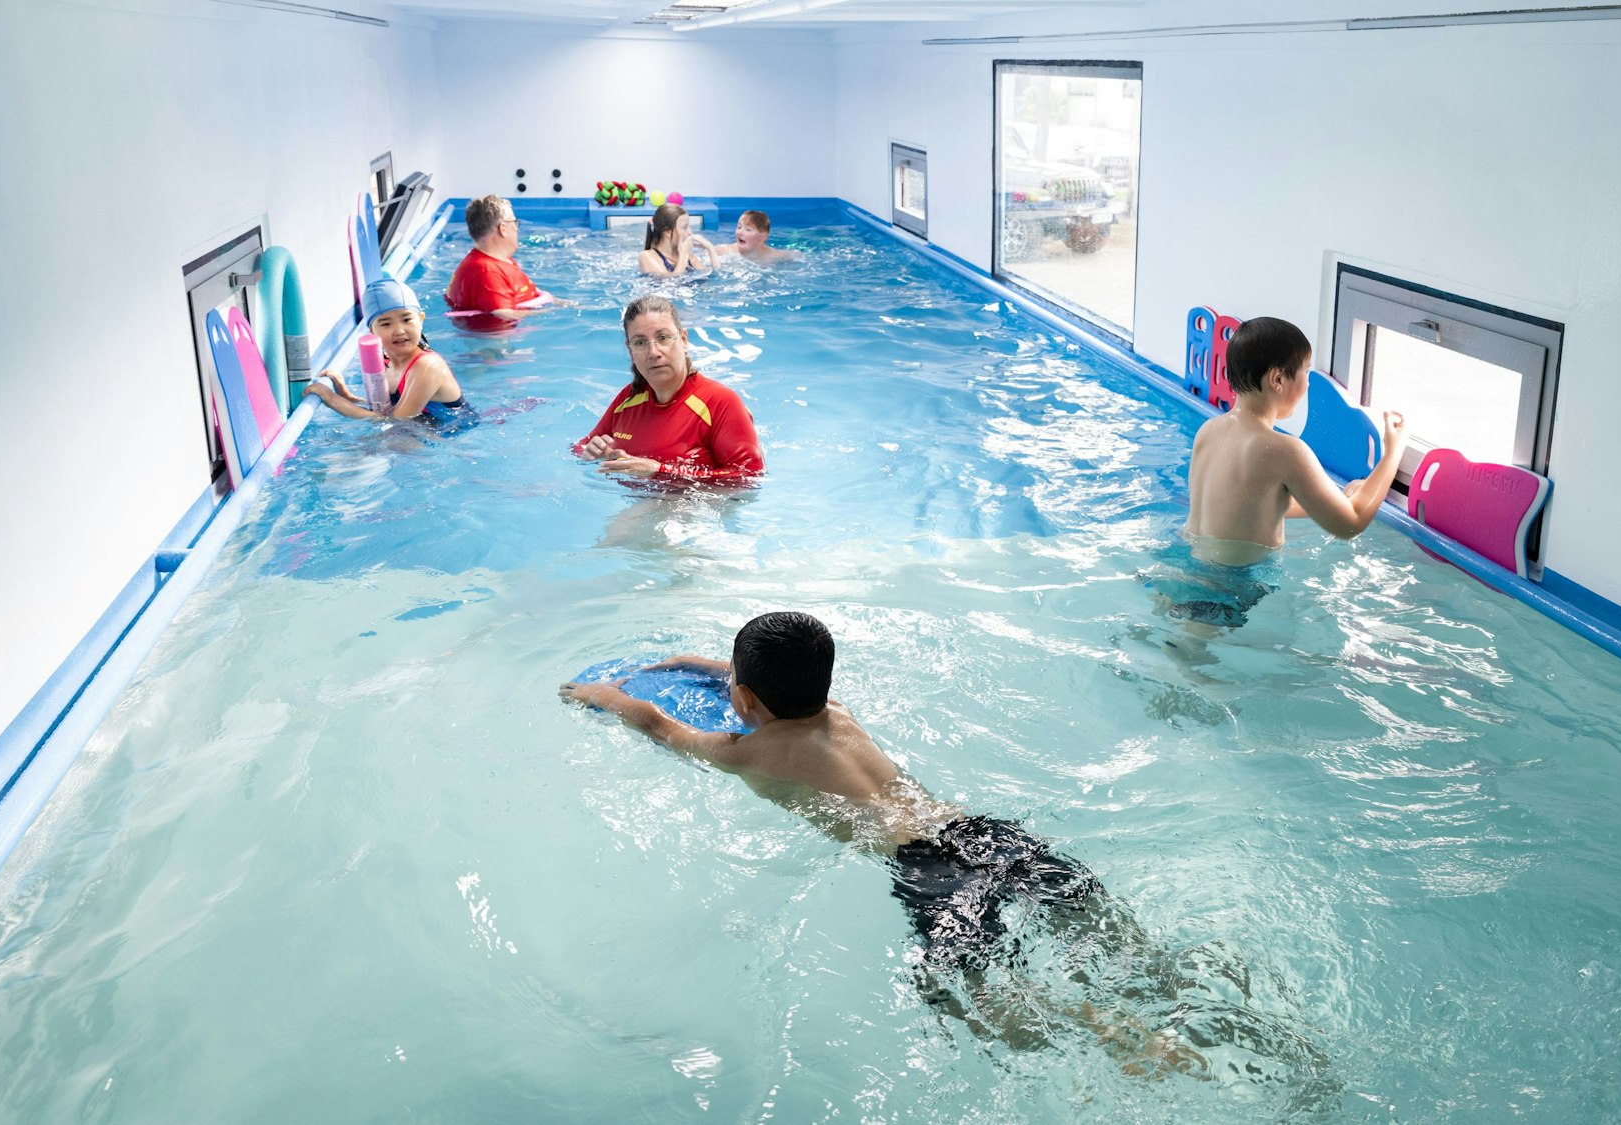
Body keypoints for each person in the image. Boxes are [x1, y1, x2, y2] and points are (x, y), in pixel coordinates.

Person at [558, 611, 1206, 1076]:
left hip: (928, 869)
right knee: (1083, 911)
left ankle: (1119, 1039)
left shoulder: (746, 752)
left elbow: (657, 723)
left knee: (972, 996)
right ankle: (1171, 978)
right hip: (980, 831)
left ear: (744, 696)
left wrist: (603, 693)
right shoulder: (837, 711)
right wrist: (701, 663)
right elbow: (761, 681)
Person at [1184, 317, 1408, 568]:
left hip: (1186, 567)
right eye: (1306, 371)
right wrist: (1393, 453)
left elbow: (1246, 504)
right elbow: (1351, 523)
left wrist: (1339, 498)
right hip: (1229, 592)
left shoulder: (1208, 430)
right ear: (1278, 379)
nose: (1308, 382)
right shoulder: (1285, 450)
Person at [573, 295, 763, 482]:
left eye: (663, 338)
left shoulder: (720, 402)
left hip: (699, 504)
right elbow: (579, 447)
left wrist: (659, 471)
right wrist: (592, 453)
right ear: (630, 350)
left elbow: (749, 477)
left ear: (683, 340)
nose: (653, 352)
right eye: (640, 343)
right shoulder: (629, 399)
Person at [307, 278, 467, 423]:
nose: (399, 330)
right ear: (372, 331)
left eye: (406, 319)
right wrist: (345, 395)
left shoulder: (428, 366)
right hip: (421, 428)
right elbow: (382, 409)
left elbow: (395, 421)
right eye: (385, 324)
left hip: (452, 434)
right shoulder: (385, 361)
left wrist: (331, 398)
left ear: (421, 320)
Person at [445, 194, 552, 332]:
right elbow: (503, 316)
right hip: (495, 343)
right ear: (503, 228)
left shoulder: (499, 261)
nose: (517, 228)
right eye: (514, 223)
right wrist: (550, 311)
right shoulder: (487, 271)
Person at [637, 203, 715, 277]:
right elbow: (672, 282)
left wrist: (710, 249)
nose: (690, 233)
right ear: (667, 232)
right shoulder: (646, 256)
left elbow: (713, 277)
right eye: (684, 227)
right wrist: (683, 254)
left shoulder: (688, 256)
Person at [711, 210, 799, 265]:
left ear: (762, 237)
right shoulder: (724, 252)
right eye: (739, 227)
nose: (740, 232)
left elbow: (797, 255)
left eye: (748, 230)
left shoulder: (773, 256)